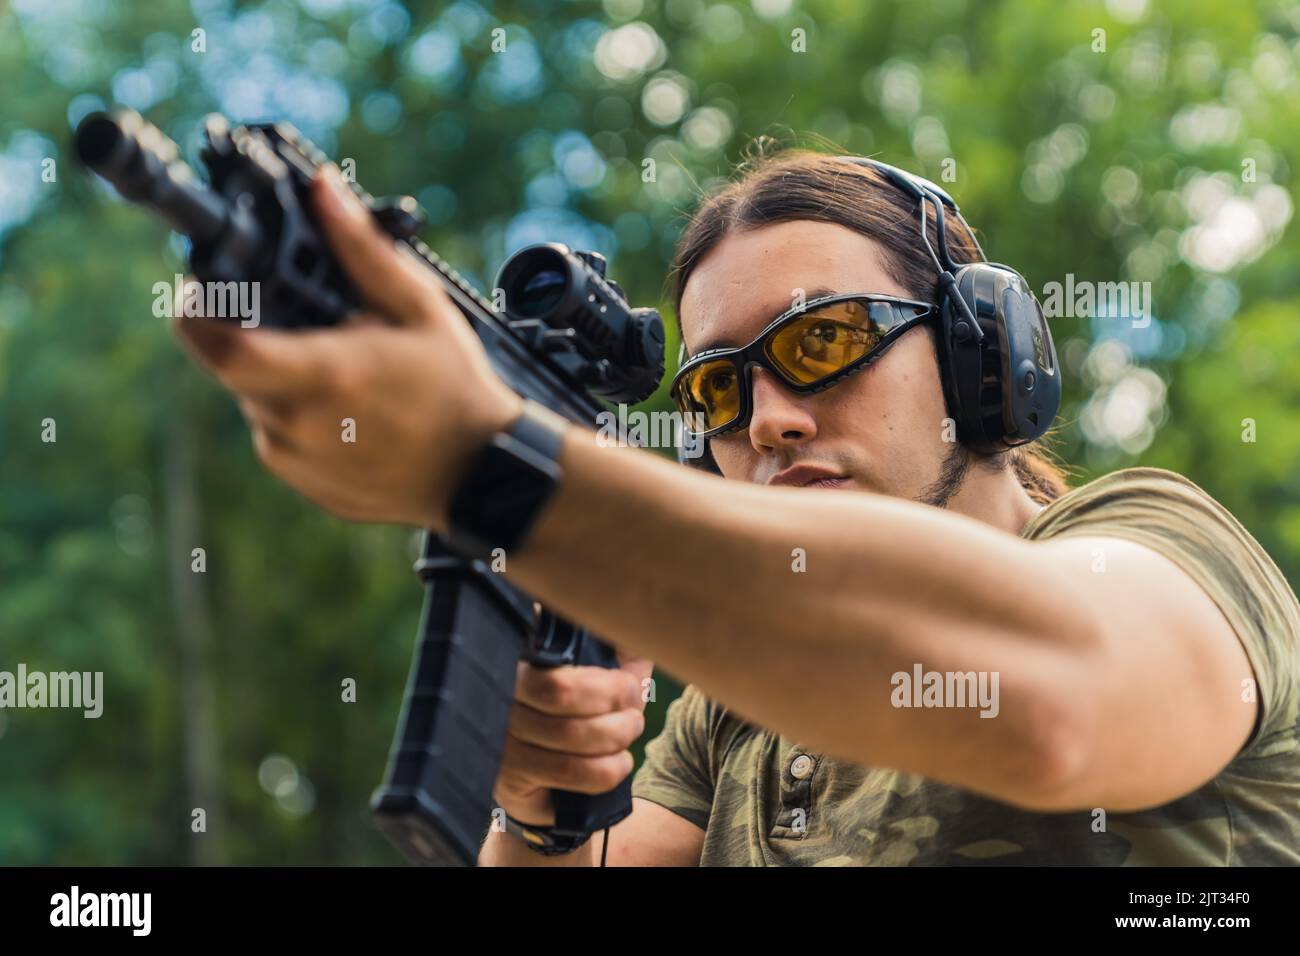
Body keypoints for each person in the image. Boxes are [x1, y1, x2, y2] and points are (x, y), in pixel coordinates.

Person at [173, 145, 1300, 866]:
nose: (765, 417)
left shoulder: (1168, 543)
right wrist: (537, 807)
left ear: (979, 352)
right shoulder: (733, 715)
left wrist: (491, 465)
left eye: (821, 342)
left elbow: (1053, 707)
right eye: (716, 385)